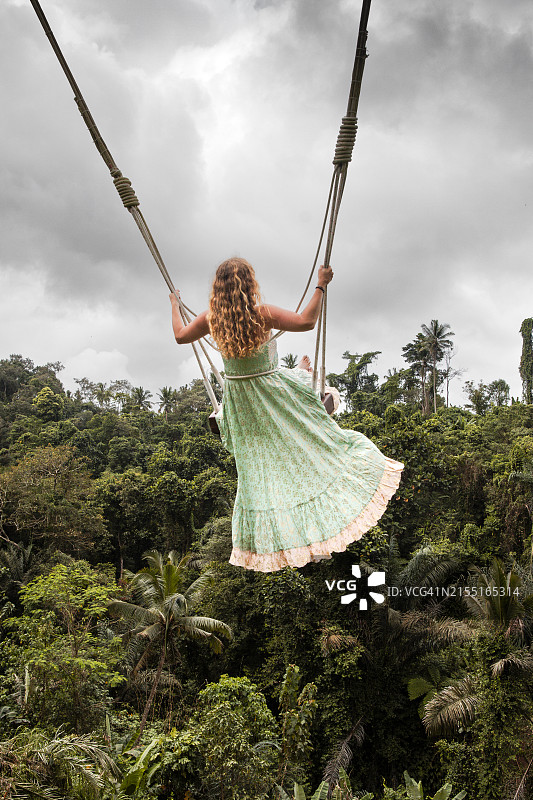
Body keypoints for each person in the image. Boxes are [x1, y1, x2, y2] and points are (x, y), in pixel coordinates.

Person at [170, 256, 403, 572]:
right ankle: (306, 387)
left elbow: (180, 336)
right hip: (270, 393)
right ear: (250, 285)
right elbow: (307, 321)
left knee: (260, 465)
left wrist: (174, 303)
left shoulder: (211, 318)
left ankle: (303, 382)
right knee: (302, 423)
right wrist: (321, 284)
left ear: (218, 290)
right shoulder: (261, 315)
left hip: (241, 404)